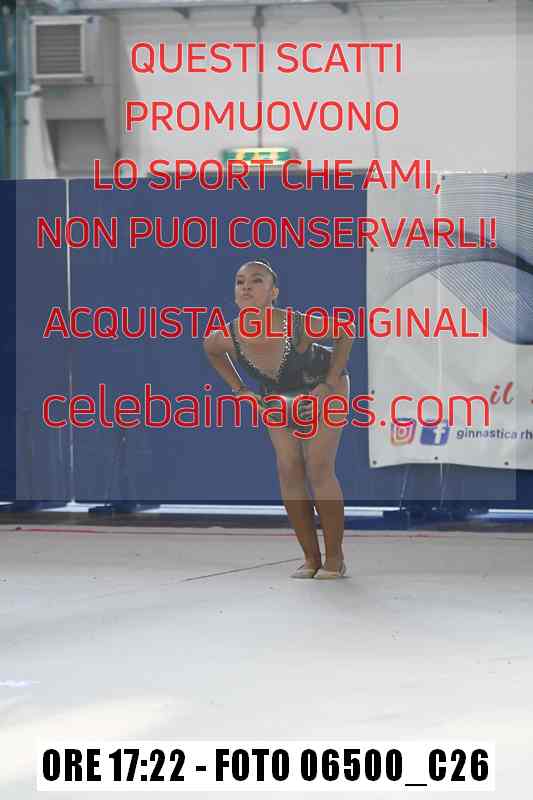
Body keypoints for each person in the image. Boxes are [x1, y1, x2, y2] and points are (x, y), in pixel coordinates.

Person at [203, 258, 353, 579]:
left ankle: (335, 558)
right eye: (240, 282)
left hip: (323, 388)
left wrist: (328, 385)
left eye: (257, 280)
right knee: (288, 469)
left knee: (318, 466)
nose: (246, 287)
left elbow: (344, 331)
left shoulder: (297, 326)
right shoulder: (225, 336)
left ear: (274, 293)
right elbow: (211, 350)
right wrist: (240, 390)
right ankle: (310, 558)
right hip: (278, 396)